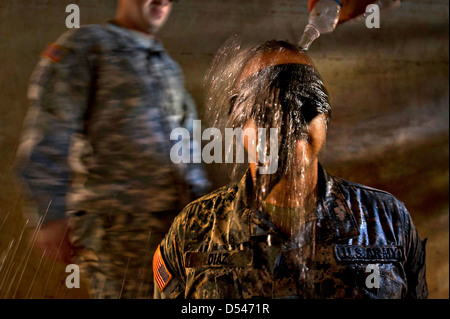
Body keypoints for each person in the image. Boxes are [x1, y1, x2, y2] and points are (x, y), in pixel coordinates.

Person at [154, 40, 427, 299]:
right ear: (239, 126)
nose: (291, 121)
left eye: (307, 101)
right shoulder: (193, 230)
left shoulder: (388, 221)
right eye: (268, 108)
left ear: (325, 116)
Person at [16, 0, 210, 299]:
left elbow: (187, 146)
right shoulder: (88, 46)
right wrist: (50, 213)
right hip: (120, 231)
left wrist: (203, 212)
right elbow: (49, 130)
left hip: (177, 229)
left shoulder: (165, 63)